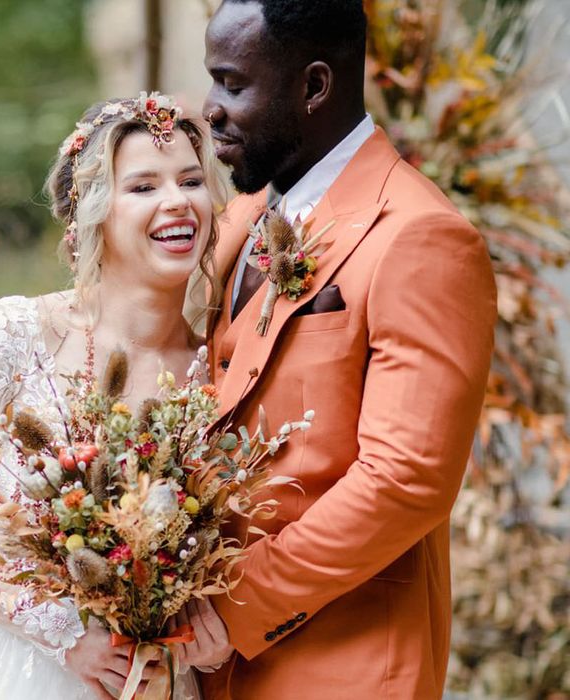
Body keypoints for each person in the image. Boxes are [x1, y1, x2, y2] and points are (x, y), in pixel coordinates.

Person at [177, 1, 498, 698]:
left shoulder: (422, 237)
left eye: (232, 84)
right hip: (205, 669)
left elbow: (405, 480)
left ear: (314, 86)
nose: (210, 108)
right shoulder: (237, 221)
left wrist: (234, 607)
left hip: (343, 665)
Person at [0, 92, 226, 700]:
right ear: (94, 212)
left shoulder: (220, 370)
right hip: (7, 673)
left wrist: (206, 633)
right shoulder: (9, 337)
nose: (178, 201)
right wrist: (64, 635)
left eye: (191, 179)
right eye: (144, 187)